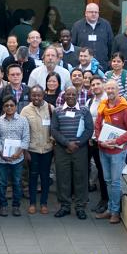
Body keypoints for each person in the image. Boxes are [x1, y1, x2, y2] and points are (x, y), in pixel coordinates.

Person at [94, 80, 127, 224]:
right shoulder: (103, 106)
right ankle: (110, 209)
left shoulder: (124, 108)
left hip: (117, 152)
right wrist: (101, 141)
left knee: (115, 181)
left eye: (113, 88)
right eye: (108, 89)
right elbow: (97, 126)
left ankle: (115, 212)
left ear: (118, 90)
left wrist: (116, 141)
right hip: (103, 149)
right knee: (107, 180)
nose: (110, 91)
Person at [50, 86, 94, 219]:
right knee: (63, 177)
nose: (70, 96)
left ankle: (80, 207)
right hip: (62, 149)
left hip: (80, 149)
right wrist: (67, 143)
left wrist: (78, 143)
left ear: (77, 96)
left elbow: (89, 129)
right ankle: (65, 206)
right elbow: (54, 130)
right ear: (64, 96)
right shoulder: (57, 111)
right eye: (67, 94)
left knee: (80, 177)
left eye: (73, 94)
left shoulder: (84, 111)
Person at [0, 95, 30, 217]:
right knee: (2, 183)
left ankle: (16, 206)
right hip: (2, 159)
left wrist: (19, 153)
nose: (9, 107)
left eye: (11, 105)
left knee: (17, 182)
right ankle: (3, 205)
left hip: (17, 159)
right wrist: (2, 154)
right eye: (6, 105)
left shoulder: (23, 120)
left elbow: (26, 138)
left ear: (15, 107)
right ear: (3, 107)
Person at [21, 85, 53, 214]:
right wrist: (25, 151)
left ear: (43, 95)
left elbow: (54, 129)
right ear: (30, 96)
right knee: (32, 177)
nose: (36, 98)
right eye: (34, 95)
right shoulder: (25, 110)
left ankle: (44, 203)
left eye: (39, 95)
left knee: (45, 177)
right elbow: (22, 131)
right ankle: (32, 203)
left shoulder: (51, 108)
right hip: (32, 149)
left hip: (47, 149)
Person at [104, 52, 127, 174]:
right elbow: (104, 91)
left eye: (118, 61)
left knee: (126, 136)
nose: (116, 63)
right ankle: (115, 160)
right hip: (109, 110)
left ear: (123, 63)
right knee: (113, 135)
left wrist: (116, 105)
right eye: (114, 61)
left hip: (122, 110)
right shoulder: (107, 74)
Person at [87, 76, 109, 214]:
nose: (95, 86)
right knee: (99, 170)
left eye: (98, 84)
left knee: (104, 172)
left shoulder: (108, 101)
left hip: (106, 141)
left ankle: (106, 200)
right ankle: (103, 200)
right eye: (93, 84)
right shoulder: (91, 101)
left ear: (103, 84)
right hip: (94, 140)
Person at [70, 3, 114, 68]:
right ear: (86, 13)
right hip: (83, 66)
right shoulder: (77, 26)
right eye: (91, 12)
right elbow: (73, 46)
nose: (94, 14)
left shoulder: (106, 25)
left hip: (102, 65)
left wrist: (110, 62)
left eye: (96, 12)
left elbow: (111, 44)